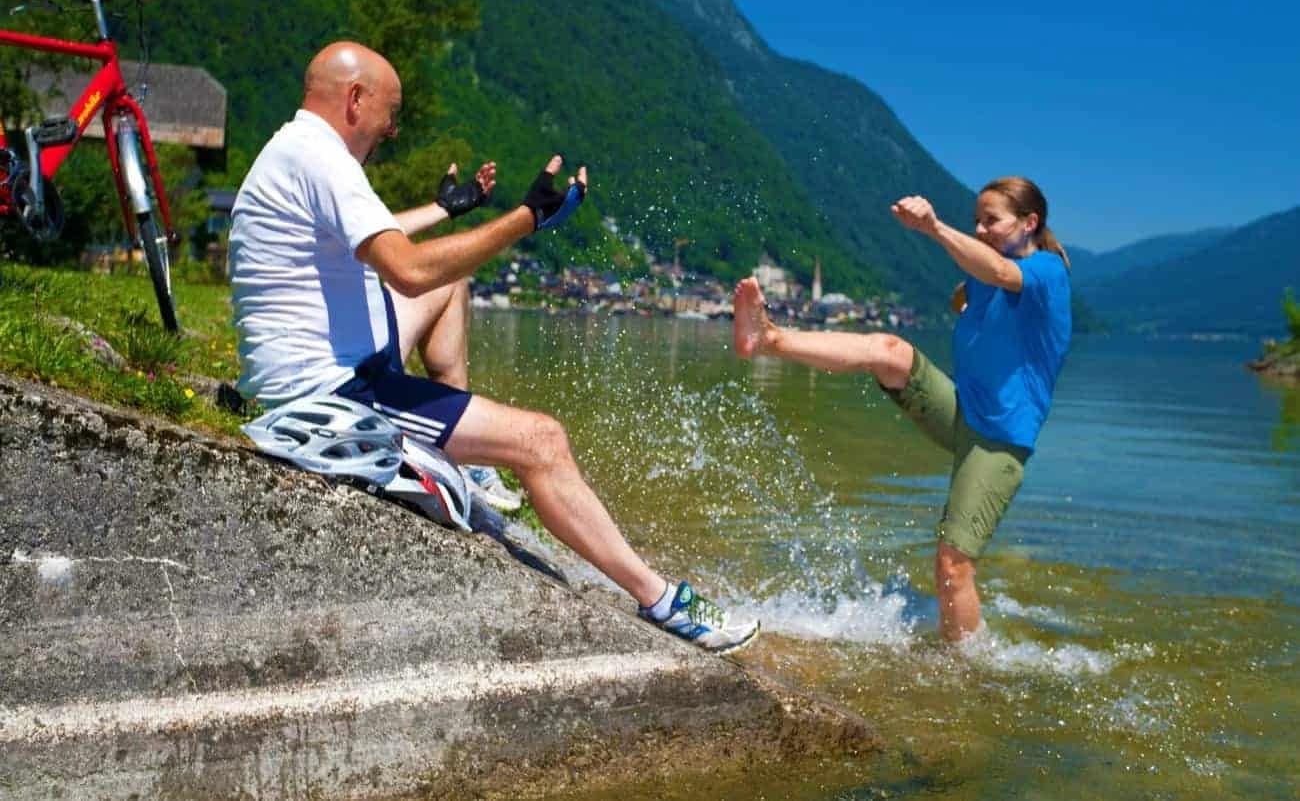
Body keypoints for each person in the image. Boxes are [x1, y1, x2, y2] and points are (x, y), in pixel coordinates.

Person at [228, 41, 758, 653]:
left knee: (454, 280)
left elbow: (374, 238)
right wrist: (521, 221)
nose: (392, 130)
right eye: (390, 113)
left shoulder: (296, 148)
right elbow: (407, 272)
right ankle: (663, 601)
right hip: (339, 392)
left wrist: (447, 210)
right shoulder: (324, 160)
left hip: (318, 364)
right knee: (542, 440)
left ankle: (467, 452)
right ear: (355, 99)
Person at [732, 178, 1070, 641]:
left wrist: (933, 228)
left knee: (952, 568)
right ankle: (768, 339)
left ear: (1030, 223)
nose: (981, 228)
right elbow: (980, 279)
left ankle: (964, 672)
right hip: (960, 410)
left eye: (991, 220)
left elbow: (1000, 274)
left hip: (1000, 441)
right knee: (889, 351)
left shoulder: (1047, 271)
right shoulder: (985, 270)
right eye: (977, 220)